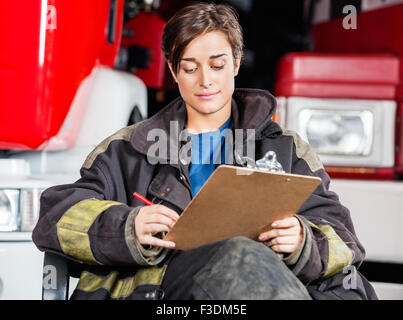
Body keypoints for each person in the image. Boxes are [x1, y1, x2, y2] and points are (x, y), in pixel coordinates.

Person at [32, 2, 377, 300]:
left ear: (237, 63)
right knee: (240, 257)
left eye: (217, 65)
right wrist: (127, 226)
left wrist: (302, 240)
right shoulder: (126, 150)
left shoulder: (285, 149)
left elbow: (345, 242)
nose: (205, 81)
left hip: (258, 286)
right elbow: (53, 218)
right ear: (173, 71)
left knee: (348, 286)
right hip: (166, 291)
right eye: (190, 67)